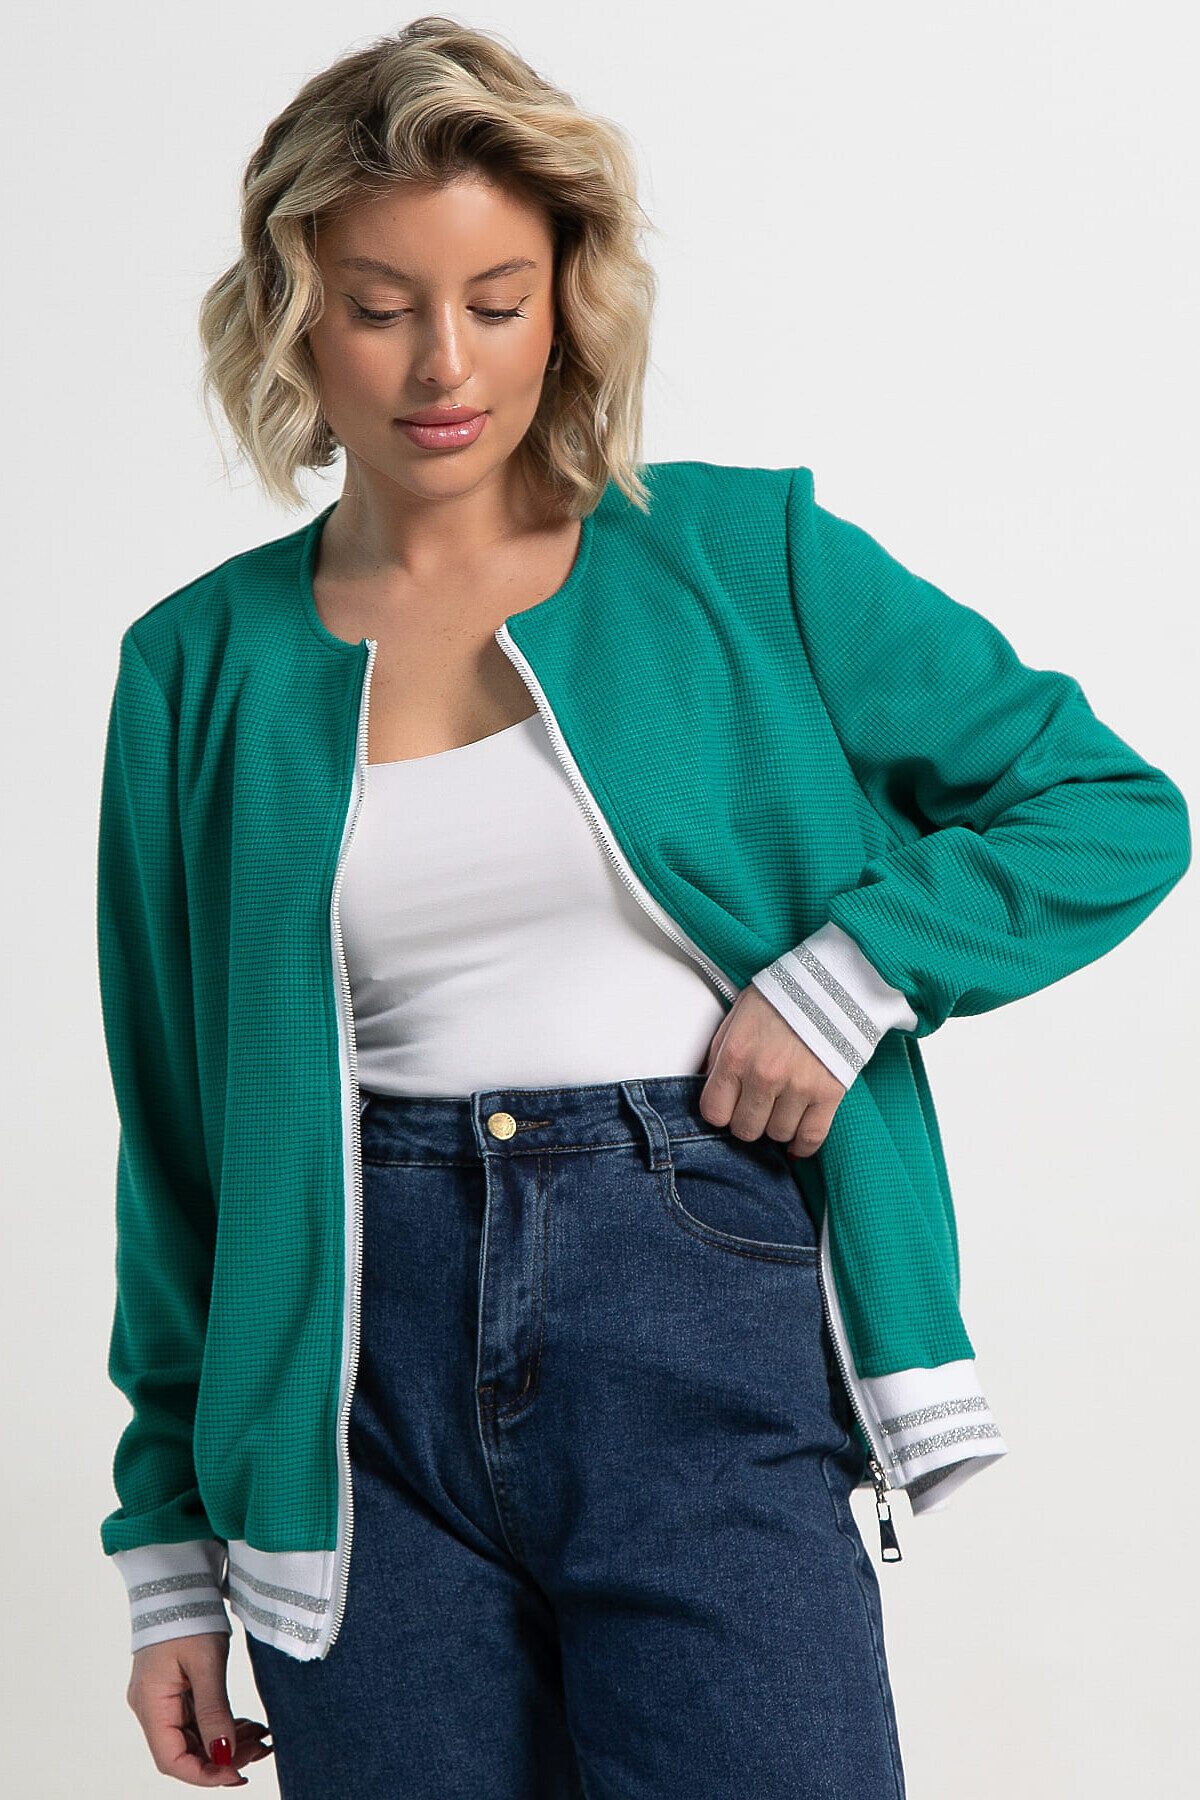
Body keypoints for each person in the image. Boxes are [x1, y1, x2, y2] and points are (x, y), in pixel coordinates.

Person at [94, 16, 1191, 1797]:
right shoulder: (196, 669)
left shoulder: (746, 557)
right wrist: (167, 1555)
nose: (444, 363)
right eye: (379, 306)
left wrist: (853, 976)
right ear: (294, 314)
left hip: (696, 1304)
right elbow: (178, 1144)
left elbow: (1109, 806)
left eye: (497, 300)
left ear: (569, 301)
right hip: (349, 1403)